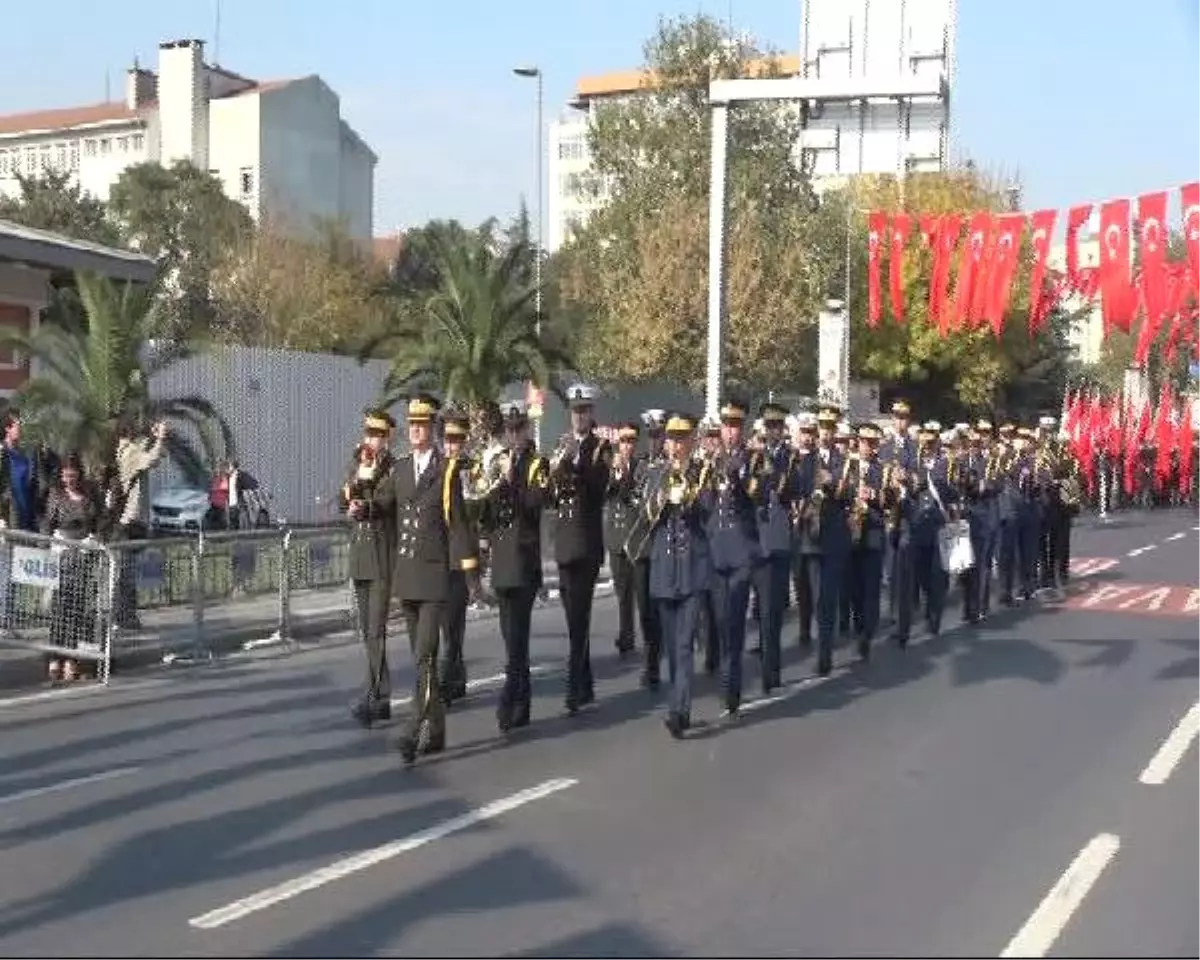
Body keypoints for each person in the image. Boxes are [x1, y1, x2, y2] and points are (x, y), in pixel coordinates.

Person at [365, 394, 476, 765]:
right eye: (411, 424)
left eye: (422, 424)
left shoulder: (445, 471)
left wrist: (471, 573)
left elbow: (458, 525)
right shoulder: (398, 470)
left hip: (433, 576)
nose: (415, 429)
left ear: (432, 430)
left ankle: (413, 730)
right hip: (407, 575)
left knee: (426, 655)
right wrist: (360, 505)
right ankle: (439, 730)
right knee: (420, 658)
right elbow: (381, 504)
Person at [643, 413, 713, 738]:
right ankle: (678, 700)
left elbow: (710, 510)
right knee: (671, 647)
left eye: (682, 438)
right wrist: (662, 496)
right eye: (672, 438)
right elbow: (646, 513)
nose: (676, 444)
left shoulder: (702, 472)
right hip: (664, 570)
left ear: (691, 440)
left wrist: (691, 494)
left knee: (684, 644)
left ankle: (679, 710)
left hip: (693, 569)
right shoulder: (656, 472)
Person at [480, 401, 547, 733]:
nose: (514, 435)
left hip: (524, 563)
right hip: (502, 561)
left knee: (518, 638)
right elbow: (487, 510)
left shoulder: (537, 464)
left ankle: (513, 700)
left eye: (519, 428)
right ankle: (522, 698)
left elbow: (535, 505)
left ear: (527, 430)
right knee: (509, 637)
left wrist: (511, 480)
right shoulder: (496, 463)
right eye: (509, 429)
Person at [547, 383, 610, 716]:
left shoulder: (600, 448)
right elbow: (552, 495)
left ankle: (574, 688)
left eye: (584, 411)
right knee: (573, 620)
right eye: (575, 411)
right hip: (564, 542)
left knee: (580, 617)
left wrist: (575, 462)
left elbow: (599, 488)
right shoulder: (561, 443)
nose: (579, 416)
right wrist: (555, 471)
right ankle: (585, 683)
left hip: (586, 544)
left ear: (591, 414)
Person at [340, 409, 396, 728]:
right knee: (367, 631)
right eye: (368, 434)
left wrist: (366, 500)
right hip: (360, 556)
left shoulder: (390, 467)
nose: (372, 440)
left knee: (376, 629)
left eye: (377, 435)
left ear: (386, 438)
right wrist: (349, 500)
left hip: (380, 556)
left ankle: (378, 694)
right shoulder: (357, 461)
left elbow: (386, 502)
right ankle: (381, 693)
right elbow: (343, 494)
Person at [41, 453, 103, 684]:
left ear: (79, 474)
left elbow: (99, 521)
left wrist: (94, 539)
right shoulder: (56, 495)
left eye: (72, 474)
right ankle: (56, 657)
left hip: (84, 557)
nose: (69, 479)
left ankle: (74, 660)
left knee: (80, 611)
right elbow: (47, 523)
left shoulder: (89, 496)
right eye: (65, 475)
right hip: (61, 555)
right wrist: (49, 545)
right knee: (60, 609)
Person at [113, 418, 168, 630]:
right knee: (125, 571)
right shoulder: (128, 452)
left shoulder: (132, 450)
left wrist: (156, 439)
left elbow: (157, 454)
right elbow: (152, 458)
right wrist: (159, 438)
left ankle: (127, 614)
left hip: (136, 520)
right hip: (129, 520)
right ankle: (122, 615)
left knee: (129, 570)